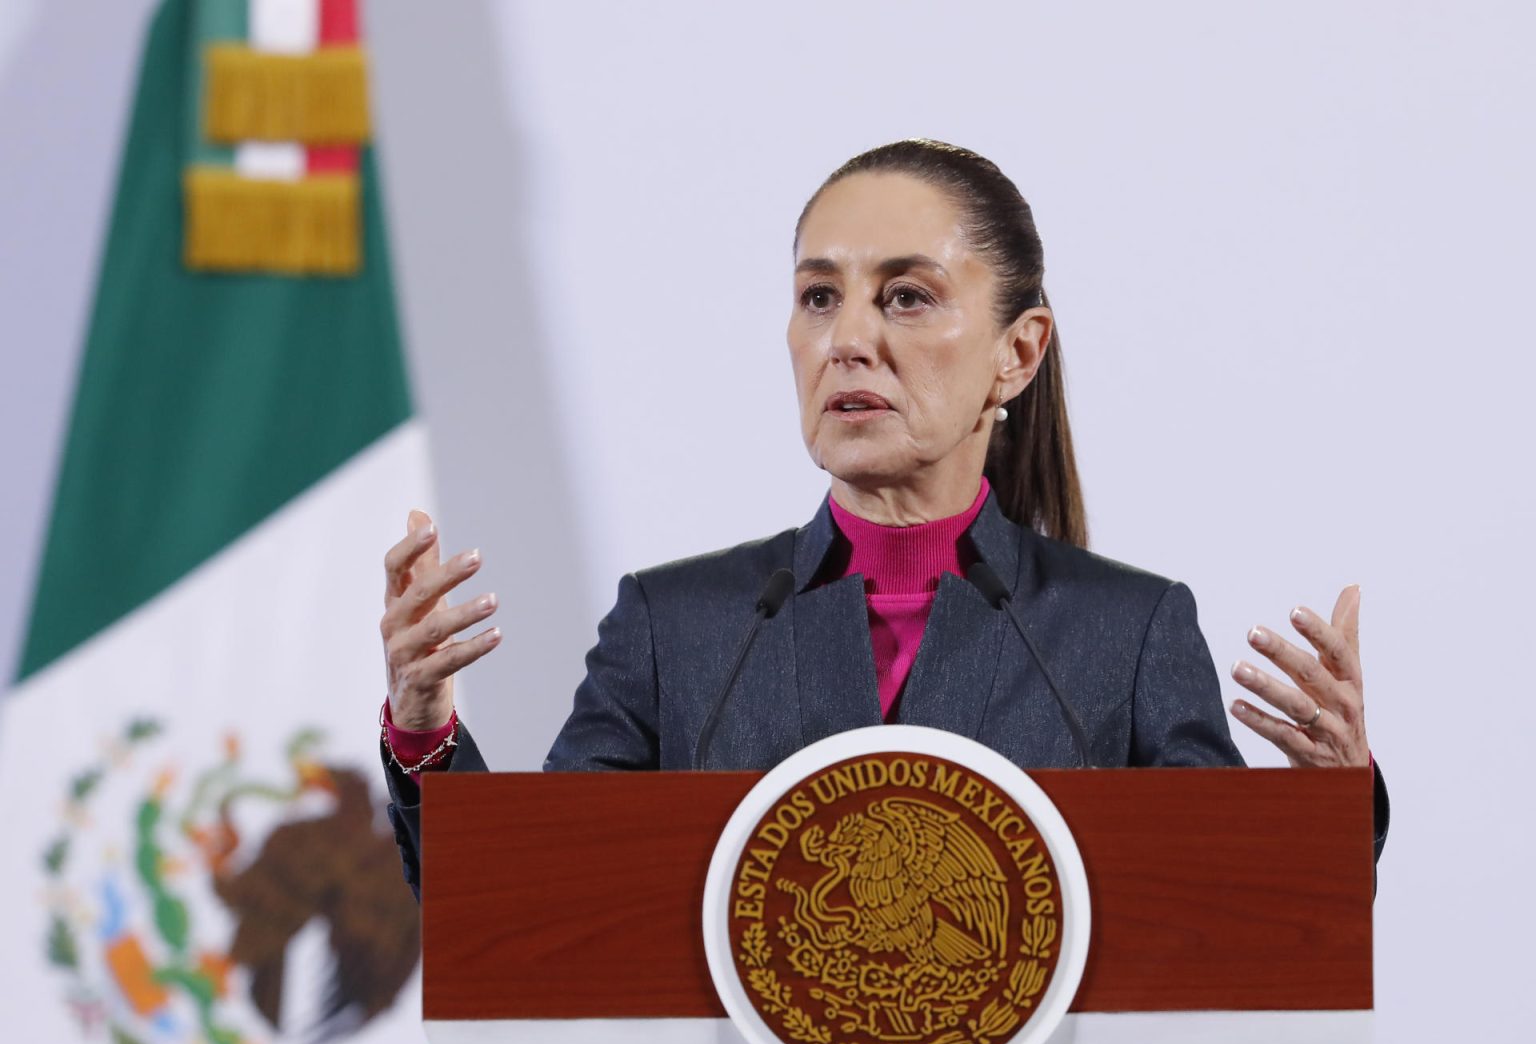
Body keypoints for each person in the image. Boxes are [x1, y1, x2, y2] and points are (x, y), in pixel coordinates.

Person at [375, 140, 1388, 900]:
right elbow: (524, 906)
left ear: (1018, 353)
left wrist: (1332, 809)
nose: (848, 339)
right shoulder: (675, 630)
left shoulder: (1123, 636)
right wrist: (424, 736)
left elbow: (1234, 932)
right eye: (820, 297)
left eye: (904, 297)